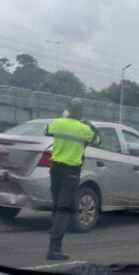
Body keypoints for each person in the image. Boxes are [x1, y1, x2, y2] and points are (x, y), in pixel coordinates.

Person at [44, 98, 100, 261]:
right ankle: (54, 248)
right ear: (81, 111)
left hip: (55, 169)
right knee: (64, 209)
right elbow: (98, 141)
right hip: (71, 173)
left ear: (67, 109)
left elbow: (46, 131)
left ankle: (54, 239)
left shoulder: (57, 123)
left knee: (57, 207)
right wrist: (91, 126)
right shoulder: (84, 129)